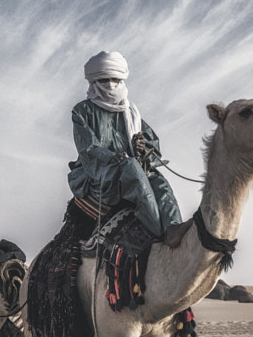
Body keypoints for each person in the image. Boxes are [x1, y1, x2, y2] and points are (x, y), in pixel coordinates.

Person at [67, 51, 185, 244]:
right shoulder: (82, 111)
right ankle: (157, 232)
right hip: (99, 174)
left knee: (157, 179)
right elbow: (88, 147)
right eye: (106, 80)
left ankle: (173, 227)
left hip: (131, 169)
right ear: (95, 82)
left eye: (116, 79)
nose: (111, 85)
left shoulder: (131, 112)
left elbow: (152, 146)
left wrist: (141, 147)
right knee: (131, 167)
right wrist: (111, 157)